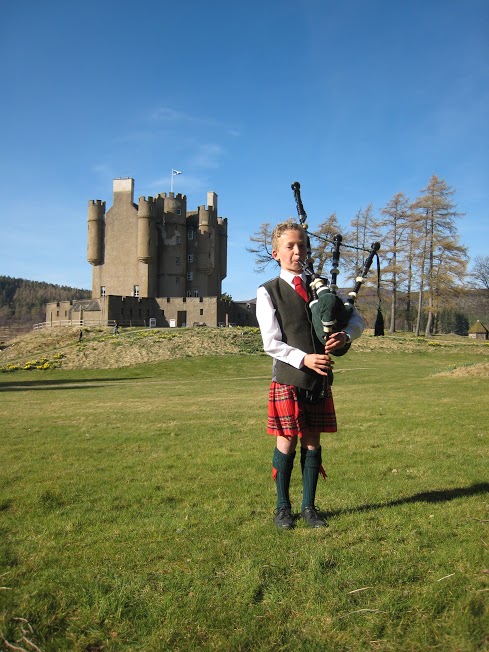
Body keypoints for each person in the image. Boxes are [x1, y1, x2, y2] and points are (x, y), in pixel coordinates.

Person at [256, 219, 365, 529]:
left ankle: (309, 509)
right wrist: (305, 359)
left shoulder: (322, 288)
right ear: (276, 253)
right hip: (289, 378)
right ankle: (282, 508)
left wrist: (346, 337)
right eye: (289, 246)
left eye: (301, 245)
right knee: (286, 441)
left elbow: (356, 320)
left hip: (319, 380)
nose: (297, 251)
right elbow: (271, 343)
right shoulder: (269, 291)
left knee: (313, 441)